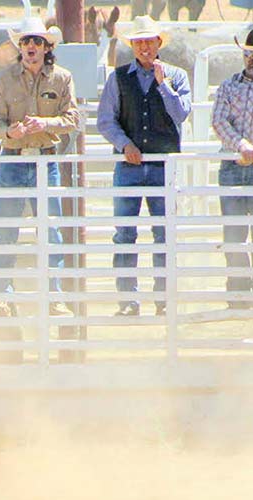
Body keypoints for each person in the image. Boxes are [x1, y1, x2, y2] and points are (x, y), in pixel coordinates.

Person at [0, 16, 80, 318]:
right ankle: (2, 297)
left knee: (51, 230)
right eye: (26, 41)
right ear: (20, 47)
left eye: (36, 41)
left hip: (44, 157)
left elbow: (73, 119)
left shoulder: (62, 78)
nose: (30, 47)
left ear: (46, 47)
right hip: (12, 157)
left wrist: (46, 123)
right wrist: (9, 132)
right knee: (5, 231)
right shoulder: (3, 78)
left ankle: (54, 297)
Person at [97, 15, 191, 317]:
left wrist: (163, 85)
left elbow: (181, 114)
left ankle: (163, 299)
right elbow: (105, 120)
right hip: (131, 164)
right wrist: (125, 144)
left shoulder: (176, 77)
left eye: (149, 41)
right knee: (125, 233)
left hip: (164, 164)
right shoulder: (118, 77)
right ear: (133, 45)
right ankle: (128, 299)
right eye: (139, 42)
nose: (144, 47)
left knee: (164, 234)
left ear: (158, 43)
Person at [210, 29, 253, 310]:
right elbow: (219, 120)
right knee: (234, 235)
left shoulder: (228, 86)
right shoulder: (228, 85)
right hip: (234, 164)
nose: (250, 58)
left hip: (237, 162)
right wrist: (242, 145)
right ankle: (239, 292)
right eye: (248, 53)